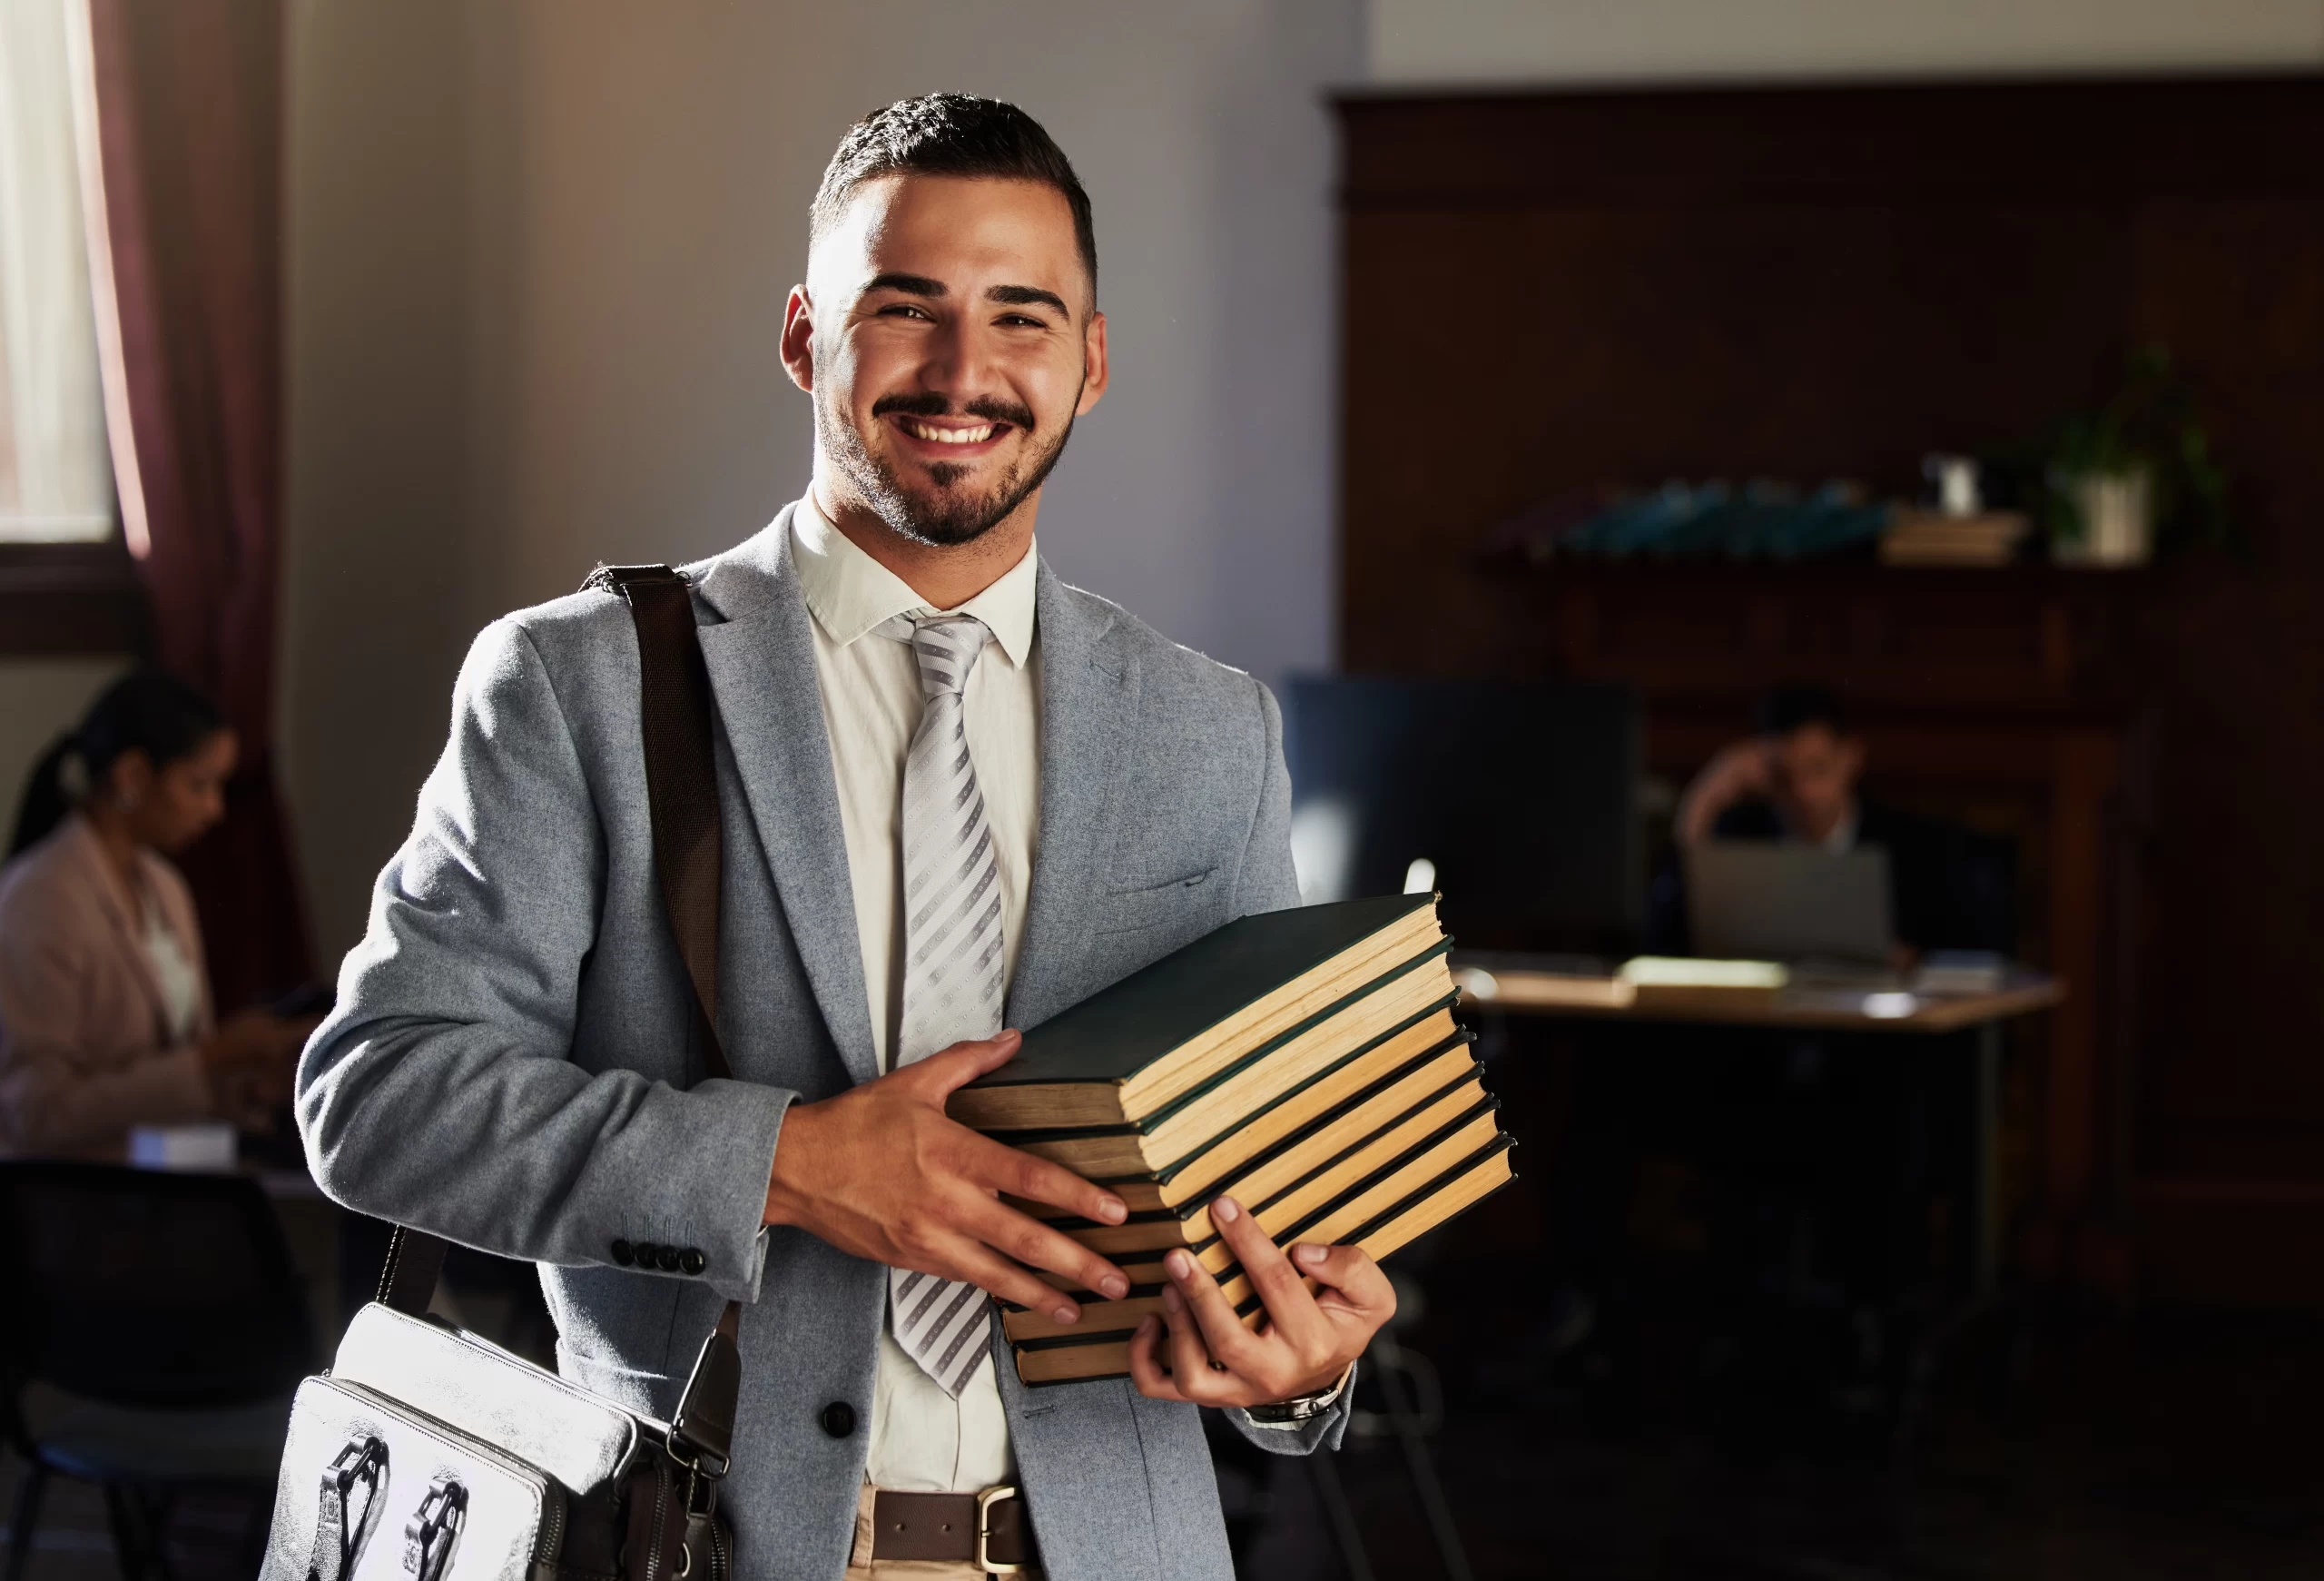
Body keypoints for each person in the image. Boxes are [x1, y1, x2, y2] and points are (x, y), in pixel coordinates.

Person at [298, 94, 1390, 1581]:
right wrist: (787, 1167)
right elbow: (379, 1097)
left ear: (1093, 361)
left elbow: (1271, 1205)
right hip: (692, 1550)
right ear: (808, 338)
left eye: (1022, 316)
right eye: (906, 308)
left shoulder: (1213, 732)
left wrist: (1302, 1369)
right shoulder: (582, 684)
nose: (963, 370)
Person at [0, 672, 308, 1156]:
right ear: (133, 777)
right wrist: (210, 1059)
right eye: (199, 785)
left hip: (169, 1183)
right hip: (73, 1204)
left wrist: (249, 1073)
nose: (214, 810)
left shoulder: (164, 887)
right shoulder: (41, 899)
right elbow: (34, 1115)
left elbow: (177, 1071)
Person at [1663, 682, 2013, 955]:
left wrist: (1913, 958)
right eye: (1785, 776)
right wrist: (1704, 800)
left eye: (1817, 770)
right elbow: (1667, 934)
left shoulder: (1912, 846)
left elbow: (1973, 950)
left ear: (1850, 758)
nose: (1802, 792)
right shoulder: (1739, 835)